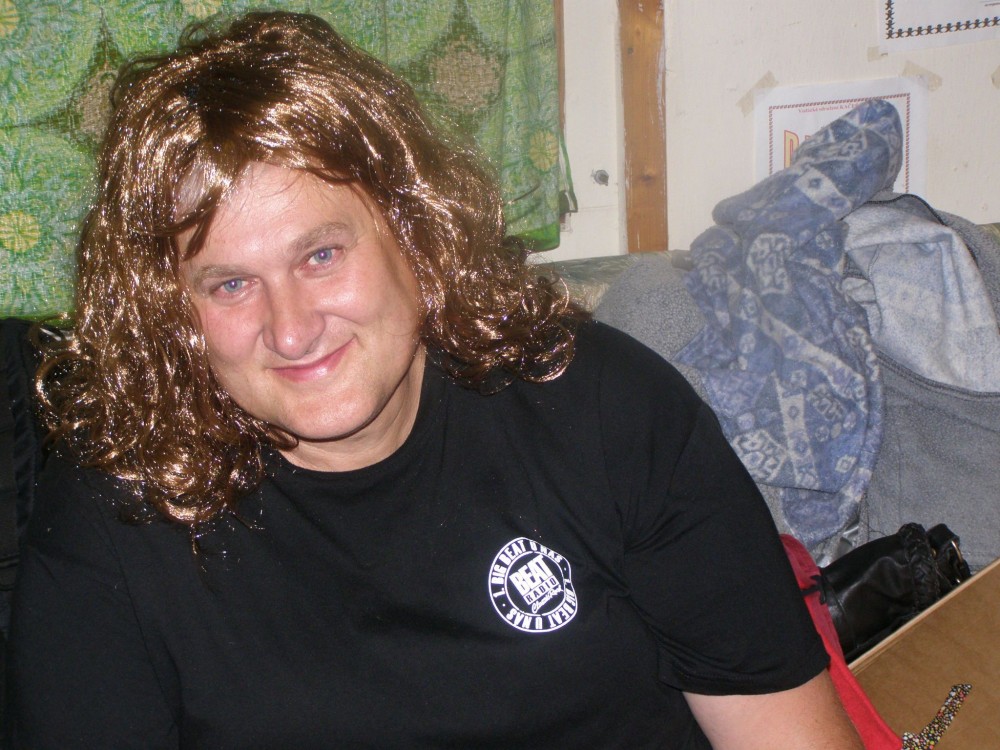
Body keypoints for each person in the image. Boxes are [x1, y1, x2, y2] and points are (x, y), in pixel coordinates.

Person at [5, 11, 862, 749]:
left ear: (415, 234)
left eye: (321, 255)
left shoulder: (605, 411)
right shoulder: (114, 525)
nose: (291, 328)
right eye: (229, 284)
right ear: (171, 311)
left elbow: (782, 729)